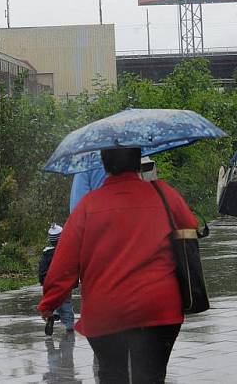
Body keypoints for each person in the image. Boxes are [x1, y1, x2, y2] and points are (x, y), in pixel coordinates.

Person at [38, 147, 197, 383]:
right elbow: (189, 226)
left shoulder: (87, 207)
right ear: (137, 162)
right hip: (159, 308)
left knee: (113, 375)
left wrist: (49, 303)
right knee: (152, 377)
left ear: (104, 165)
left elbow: (64, 265)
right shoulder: (164, 194)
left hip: (107, 313)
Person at [38, 223, 74, 335]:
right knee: (66, 303)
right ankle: (69, 327)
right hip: (64, 285)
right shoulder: (66, 252)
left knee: (51, 303)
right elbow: (72, 268)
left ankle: (52, 316)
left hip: (49, 285)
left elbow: (42, 270)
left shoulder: (46, 254)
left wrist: (43, 282)